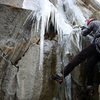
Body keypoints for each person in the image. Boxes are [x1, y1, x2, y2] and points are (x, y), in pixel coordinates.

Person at [51, 18, 100, 96]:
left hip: (97, 46)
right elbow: (94, 34)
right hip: (98, 51)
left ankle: (62, 75)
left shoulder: (93, 23)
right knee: (90, 64)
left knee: (79, 58)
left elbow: (84, 34)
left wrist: (84, 29)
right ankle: (90, 87)